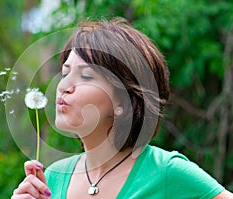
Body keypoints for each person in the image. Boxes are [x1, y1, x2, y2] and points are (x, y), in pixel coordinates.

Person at [12, 18, 233, 199]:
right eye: (65, 72)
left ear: (123, 101)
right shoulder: (52, 178)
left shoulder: (167, 172)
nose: (64, 87)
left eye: (86, 76)